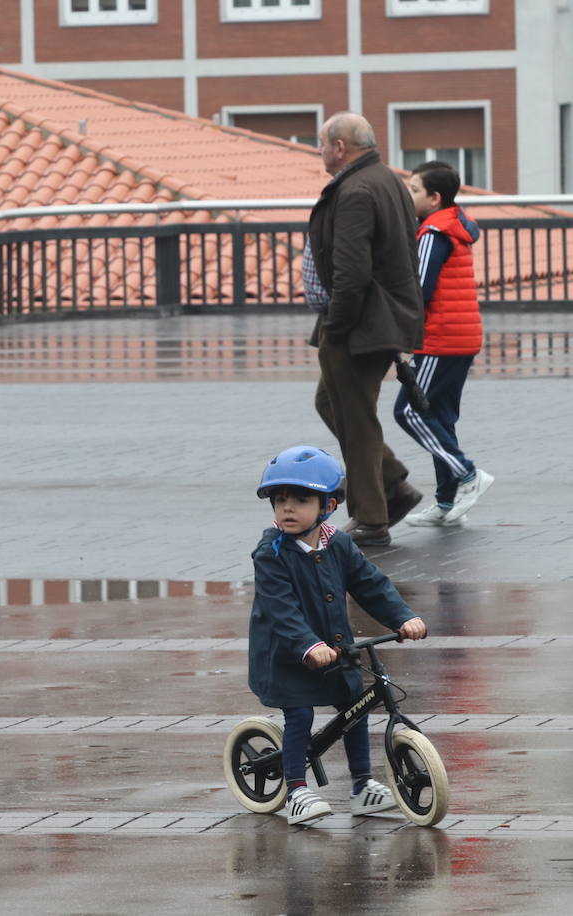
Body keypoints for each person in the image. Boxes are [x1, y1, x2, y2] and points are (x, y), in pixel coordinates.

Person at [248, 445, 428, 826]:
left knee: (354, 709)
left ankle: (362, 786)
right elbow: (281, 608)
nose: (288, 509)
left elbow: (371, 584)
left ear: (328, 506)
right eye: (280, 500)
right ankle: (296, 789)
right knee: (299, 716)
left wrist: (402, 617)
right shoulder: (271, 554)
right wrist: (307, 645)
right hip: (288, 655)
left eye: (300, 499)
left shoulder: (339, 544)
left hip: (337, 651)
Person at [308, 112, 427, 547]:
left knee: (356, 419)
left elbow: (352, 271)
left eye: (321, 144)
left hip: (362, 322)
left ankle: (372, 518)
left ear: (340, 147)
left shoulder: (355, 189)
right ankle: (393, 481)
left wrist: (336, 326)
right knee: (331, 402)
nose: (319, 153)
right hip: (384, 316)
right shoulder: (386, 179)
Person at [395, 160, 494, 526]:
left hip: (441, 338)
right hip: (461, 336)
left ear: (434, 198)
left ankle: (467, 475)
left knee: (407, 411)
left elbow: (418, 289)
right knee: (440, 417)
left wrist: (400, 330)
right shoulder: (455, 225)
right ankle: (447, 502)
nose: (409, 195)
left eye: (415, 190)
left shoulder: (434, 232)